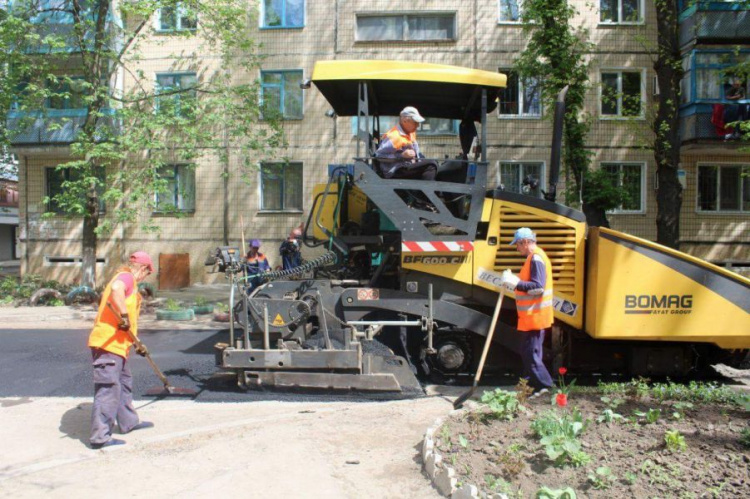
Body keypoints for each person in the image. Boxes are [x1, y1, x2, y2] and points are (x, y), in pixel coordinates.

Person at [87, 251, 155, 449]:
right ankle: (100, 437)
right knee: (108, 388)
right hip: (107, 344)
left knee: (124, 383)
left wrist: (136, 343)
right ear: (143, 268)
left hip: (118, 345)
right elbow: (117, 289)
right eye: (147, 273)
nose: (145, 278)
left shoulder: (128, 280)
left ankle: (128, 422)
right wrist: (124, 315)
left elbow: (128, 324)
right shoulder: (126, 278)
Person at [501, 228, 554, 395]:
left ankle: (546, 387)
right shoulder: (534, 257)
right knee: (527, 353)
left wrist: (515, 283)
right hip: (531, 316)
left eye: (517, 244)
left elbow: (537, 287)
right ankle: (530, 388)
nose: (517, 248)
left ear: (525, 242)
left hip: (535, 316)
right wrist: (515, 280)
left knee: (531, 355)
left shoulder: (536, 258)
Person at [375, 106, 438, 180]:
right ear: (405, 121)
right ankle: (425, 190)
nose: (418, 125)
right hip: (395, 171)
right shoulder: (394, 136)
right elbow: (379, 156)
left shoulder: (411, 133)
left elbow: (417, 153)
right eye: (415, 122)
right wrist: (401, 155)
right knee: (431, 166)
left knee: (434, 162)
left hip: (407, 166)